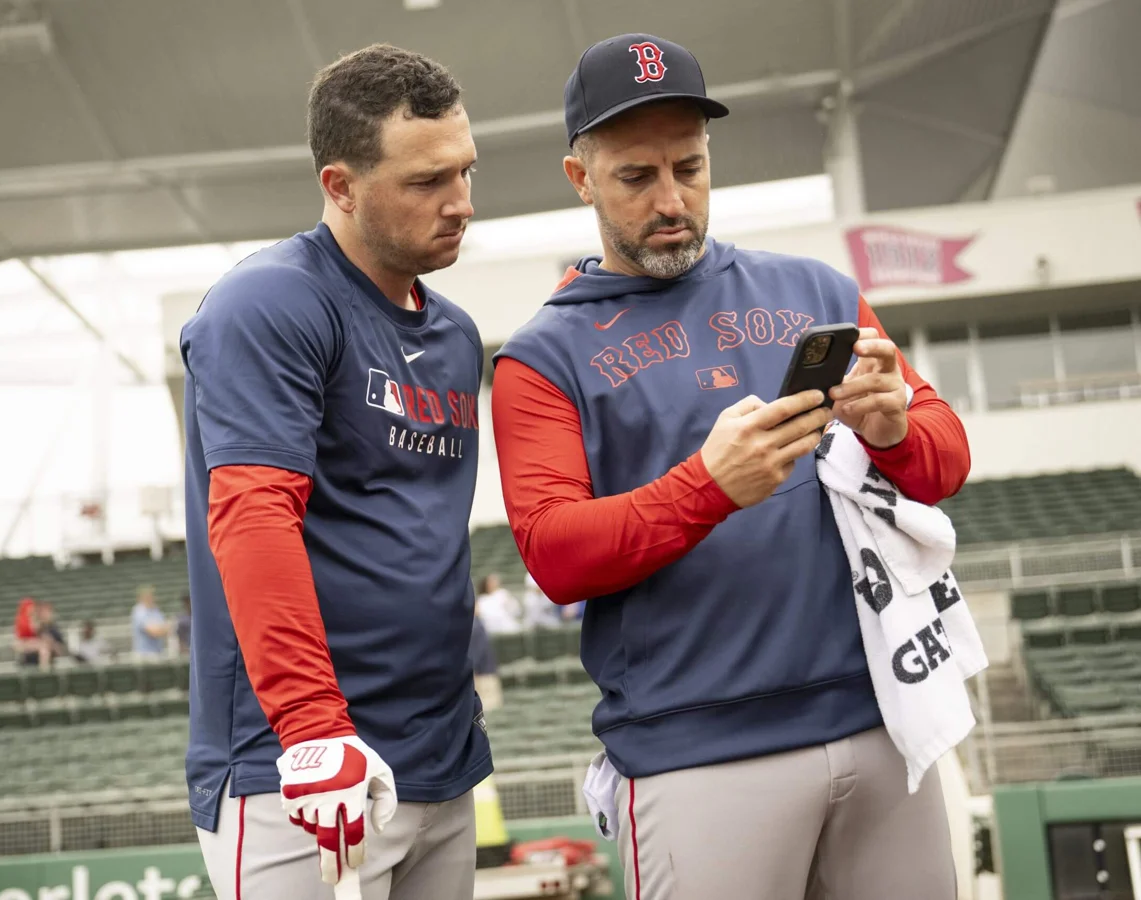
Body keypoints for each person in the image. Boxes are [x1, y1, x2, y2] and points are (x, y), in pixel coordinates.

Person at [491, 33, 972, 900]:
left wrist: (895, 430)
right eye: (636, 177)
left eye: (689, 167)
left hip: (880, 719)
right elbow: (554, 555)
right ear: (580, 178)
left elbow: (942, 465)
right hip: (696, 752)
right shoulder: (540, 356)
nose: (670, 199)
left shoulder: (815, 291)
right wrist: (707, 489)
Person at [179, 44, 490, 900]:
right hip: (304, 771)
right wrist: (313, 730)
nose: (461, 202)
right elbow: (252, 518)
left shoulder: (456, 334)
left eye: (465, 170)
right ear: (341, 186)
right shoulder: (268, 303)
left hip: (441, 762)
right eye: (426, 181)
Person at [131, 586, 170, 657]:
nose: (151, 598)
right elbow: (153, 632)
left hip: (158, 652)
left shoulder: (156, 610)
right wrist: (161, 629)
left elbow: (167, 629)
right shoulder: (139, 611)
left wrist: (161, 629)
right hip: (145, 655)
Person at [176, 591, 192, 656]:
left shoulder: (199, 618)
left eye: (189, 601)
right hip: (187, 651)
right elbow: (180, 639)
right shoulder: (182, 620)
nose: (188, 604)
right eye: (186, 602)